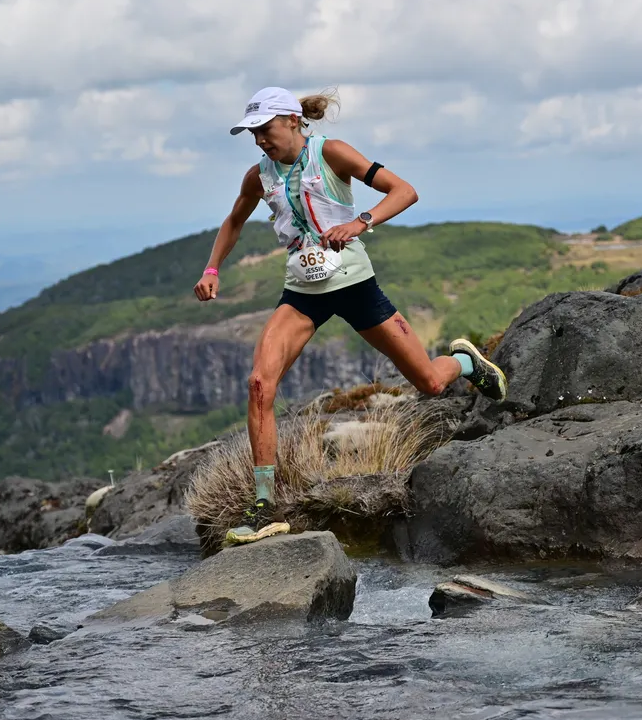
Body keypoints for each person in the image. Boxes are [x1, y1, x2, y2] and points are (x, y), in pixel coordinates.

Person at [193, 86, 508, 546]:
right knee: (260, 383)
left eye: (265, 130)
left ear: (292, 121)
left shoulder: (332, 153)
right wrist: (212, 267)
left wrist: (361, 222)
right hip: (303, 293)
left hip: (356, 284)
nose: (260, 140)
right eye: (252, 134)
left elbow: (405, 191)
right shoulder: (258, 176)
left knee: (430, 383)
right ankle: (264, 505)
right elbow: (234, 221)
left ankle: (465, 363)